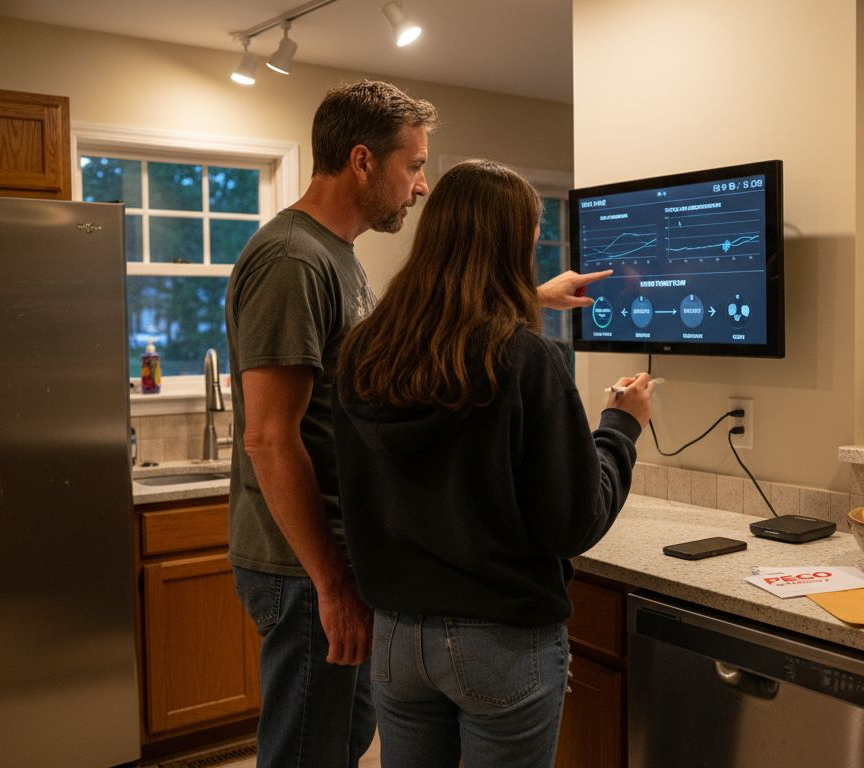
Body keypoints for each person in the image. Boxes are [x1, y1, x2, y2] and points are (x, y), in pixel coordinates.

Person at [225, 82, 610, 768]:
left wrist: (525, 299)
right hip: (307, 563)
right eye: (414, 164)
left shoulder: (337, 256)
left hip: (361, 566)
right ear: (363, 160)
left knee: (343, 743)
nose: (423, 185)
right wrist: (333, 584)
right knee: (308, 753)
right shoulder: (293, 258)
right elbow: (267, 436)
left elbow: (427, 355)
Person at [332, 159, 651, 768]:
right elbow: (573, 523)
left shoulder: (364, 355)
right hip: (501, 640)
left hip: (397, 639)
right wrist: (620, 428)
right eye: (530, 239)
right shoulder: (527, 359)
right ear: (511, 245)